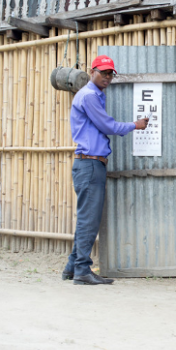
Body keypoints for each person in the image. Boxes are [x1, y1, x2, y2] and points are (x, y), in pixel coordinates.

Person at [62, 55, 149, 285]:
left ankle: (72, 267)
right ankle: (81, 270)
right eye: (103, 72)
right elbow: (107, 126)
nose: (107, 77)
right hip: (90, 164)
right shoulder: (90, 96)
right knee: (89, 219)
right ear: (92, 72)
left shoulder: (93, 95)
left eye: (111, 73)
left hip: (90, 163)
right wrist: (135, 125)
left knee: (86, 218)